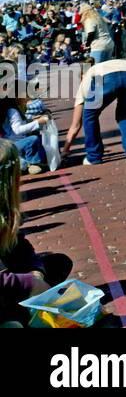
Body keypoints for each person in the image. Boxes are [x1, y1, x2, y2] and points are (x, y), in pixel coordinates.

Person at [0, 140, 73, 327]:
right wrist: (31, 284)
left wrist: (36, 270)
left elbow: (19, 244)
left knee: (58, 264)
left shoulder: (4, 211)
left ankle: (18, 309)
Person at [63, 57, 126, 165]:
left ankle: (93, 156)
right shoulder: (103, 66)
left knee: (90, 115)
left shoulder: (86, 80)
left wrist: (65, 150)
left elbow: (76, 125)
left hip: (106, 78)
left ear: (81, 77)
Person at [0, 98, 51, 175]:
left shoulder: (8, 111)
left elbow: (19, 124)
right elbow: (18, 130)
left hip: (11, 146)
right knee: (33, 139)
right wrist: (38, 122)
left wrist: (34, 120)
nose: (27, 99)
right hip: (13, 146)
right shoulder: (12, 111)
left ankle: (23, 162)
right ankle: (32, 163)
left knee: (40, 139)